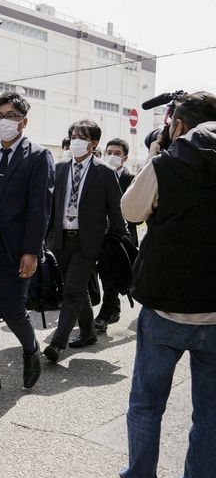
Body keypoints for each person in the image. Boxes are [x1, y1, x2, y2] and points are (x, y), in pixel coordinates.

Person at [110, 92, 216, 478]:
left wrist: (155, 157)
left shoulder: (168, 163)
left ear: (178, 124)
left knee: (147, 404)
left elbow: (131, 211)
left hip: (166, 309)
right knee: (209, 414)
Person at [0, 93, 53, 392]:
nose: (4, 121)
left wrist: (32, 250)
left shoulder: (38, 156)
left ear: (24, 122)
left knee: (13, 309)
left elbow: (39, 208)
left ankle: (31, 349)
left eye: (11, 115)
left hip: (16, 247)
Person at [43, 120, 127, 363]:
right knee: (77, 289)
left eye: (81, 136)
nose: (75, 140)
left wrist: (121, 240)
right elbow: (50, 208)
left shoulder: (105, 172)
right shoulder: (58, 168)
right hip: (60, 241)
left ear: (93, 143)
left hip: (88, 243)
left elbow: (116, 210)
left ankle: (57, 345)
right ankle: (89, 332)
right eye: (72, 136)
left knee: (71, 292)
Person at [94, 138, 138, 334]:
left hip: (122, 237)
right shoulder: (99, 174)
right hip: (102, 234)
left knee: (114, 275)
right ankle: (111, 310)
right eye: (109, 152)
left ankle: (105, 313)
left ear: (125, 157)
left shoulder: (131, 179)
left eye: (117, 153)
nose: (112, 156)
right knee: (106, 275)